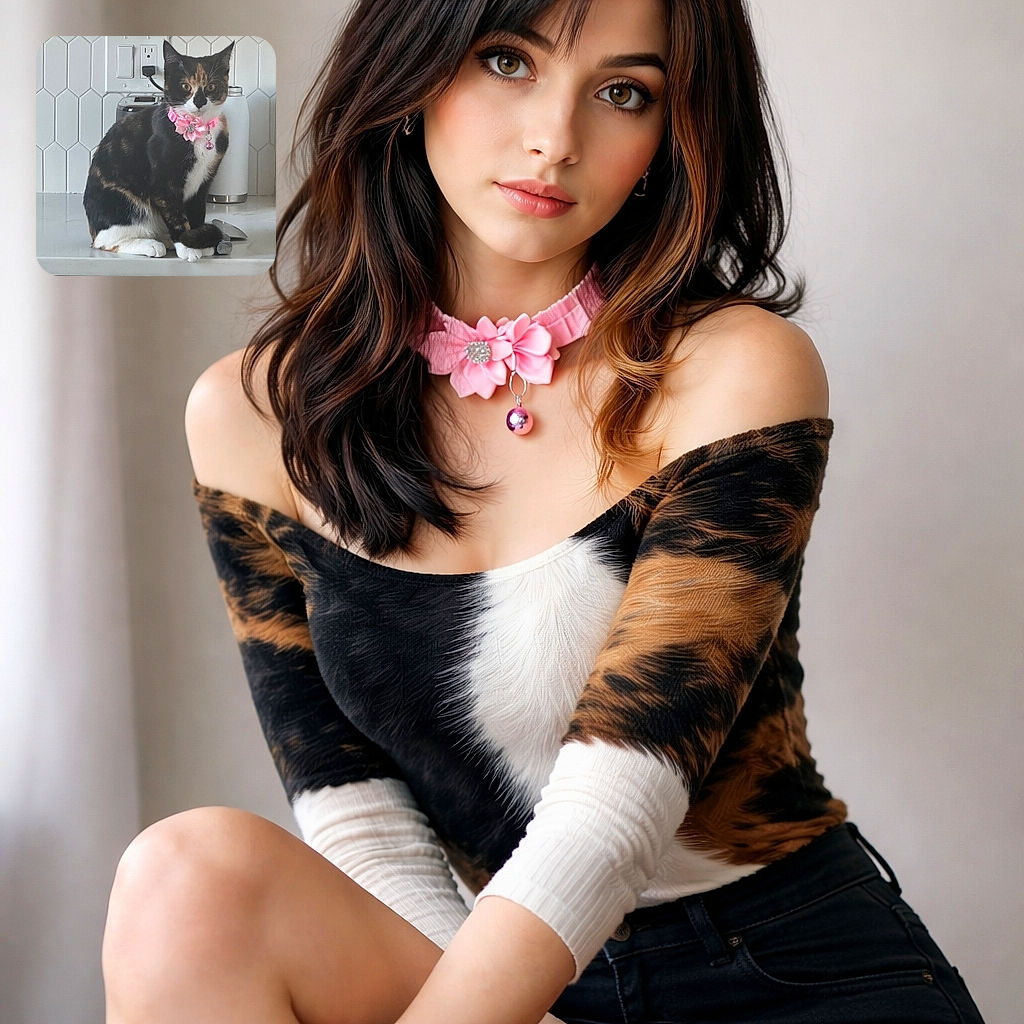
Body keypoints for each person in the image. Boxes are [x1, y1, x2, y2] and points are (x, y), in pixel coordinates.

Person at [101, 1, 985, 1022]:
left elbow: (618, 804)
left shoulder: (734, 372)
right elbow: (355, 809)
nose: (554, 139)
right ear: (410, 72)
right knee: (186, 879)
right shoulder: (254, 413)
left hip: (779, 970)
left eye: (623, 93)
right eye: (507, 60)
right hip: (474, 970)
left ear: (671, 131)